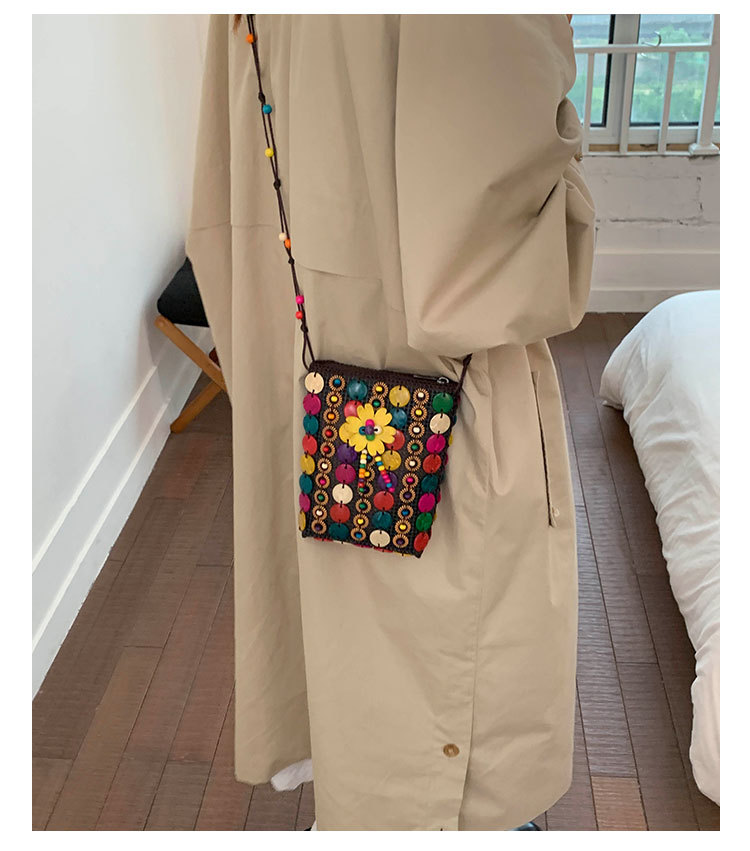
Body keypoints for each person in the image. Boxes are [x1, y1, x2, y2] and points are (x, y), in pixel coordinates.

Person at [187, 13, 595, 831]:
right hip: (453, 405)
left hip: (315, 381)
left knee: (351, 676)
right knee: (450, 737)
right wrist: (575, 204)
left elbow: (221, 217)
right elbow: (485, 269)